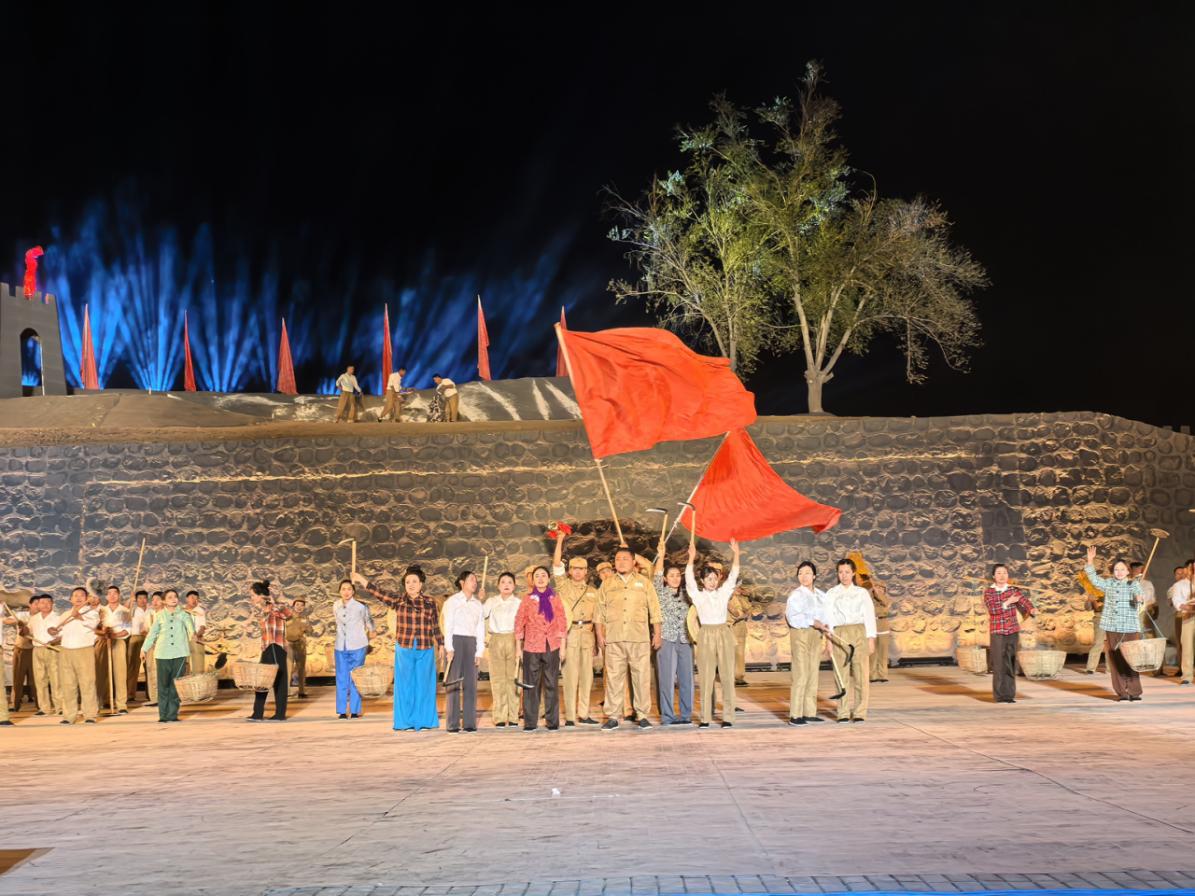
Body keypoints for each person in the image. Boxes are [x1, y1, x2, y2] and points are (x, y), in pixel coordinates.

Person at [353, 567, 442, 731]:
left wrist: (441, 644)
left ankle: (425, 721)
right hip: (405, 648)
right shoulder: (399, 600)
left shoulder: (430, 602)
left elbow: (435, 626)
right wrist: (360, 579)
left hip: (425, 647)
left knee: (424, 685)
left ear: (421, 584)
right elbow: (377, 592)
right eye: (407, 582)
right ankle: (405, 722)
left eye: (414, 581)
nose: (411, 584)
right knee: (405, 685)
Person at [595, 546, 662, 730]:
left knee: (641, 677)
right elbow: (599, 611)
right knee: (614, 678)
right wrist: (599, 634)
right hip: (614, 637)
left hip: (638, 637)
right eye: (618, 559)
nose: (621, 562)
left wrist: (657, 633)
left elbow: (654, 609)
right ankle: (613, 716)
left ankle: (642, 714)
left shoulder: (644, 583)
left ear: (633, 562)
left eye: (625, 559)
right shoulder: (607, 584)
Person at [686, 540, 741, 728]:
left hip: (723, 632)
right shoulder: (698, 596)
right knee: (706, 676)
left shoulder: (723, 593)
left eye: (714, 578)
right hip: (706, 634)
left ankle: (728, 717)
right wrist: (691, 558)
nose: (712, 581)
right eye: (708, 578)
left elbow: (733, 576)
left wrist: (736, 554)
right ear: (702, 581)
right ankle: (705, 718)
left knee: (727, 676)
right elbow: (689, 581)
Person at [552, 531, 600, 726]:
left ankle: (584, 713)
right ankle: (571, 716)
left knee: (587, 676)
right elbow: (556, 565)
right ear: (569, 571)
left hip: (587, 635)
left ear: (586, 571)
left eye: (581, 569)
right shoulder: (563, 586)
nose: (578, 572)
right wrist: (560, 540)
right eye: (574, 568)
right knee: (570, 676)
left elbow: (597, 618)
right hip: (569, 634)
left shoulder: (594, 592)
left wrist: (597, 641)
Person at [1085, 546, 1145, 701]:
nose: (1119, 572)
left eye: (1122, 569)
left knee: (1131, 658)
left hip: (1129, 627)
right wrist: (1090, 561)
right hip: (1112, 626)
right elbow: (1094, 580)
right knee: (1115, 658)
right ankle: (1122, 692)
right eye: (1116, 569)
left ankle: (1134, 691)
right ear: (1113, 571)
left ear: (1127, 571)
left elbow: (1139, 597)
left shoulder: (1133, 584)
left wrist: (1138, 599)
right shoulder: (1108, 584)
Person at [514, 566, 567, 731]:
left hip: (552, 645)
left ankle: (552, 722)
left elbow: (562, 621)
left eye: (543, 575)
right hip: (531, 646)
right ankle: (530, 722)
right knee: (531, 685)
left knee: (551, 684)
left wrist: (563, 647)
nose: (540, 578)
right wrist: (518, 648)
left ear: (548, 579)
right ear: (533, 580)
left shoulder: (555, 598)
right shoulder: (527, 599)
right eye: (537, 576)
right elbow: (519, 622)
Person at [824, 558, 877, 722]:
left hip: (859, 631)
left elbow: (869, 616)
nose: (844, 575)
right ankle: (843, 712)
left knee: (861, 674)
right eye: (840, 572)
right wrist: (828, 640)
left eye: (847, 572)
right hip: (839, 633)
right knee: (841, 675)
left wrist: (871, 638)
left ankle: (860, 711)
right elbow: (828, 617)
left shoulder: (861, 593)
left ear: (853, 573)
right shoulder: (832, 593)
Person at [982, 564, 1036, 704]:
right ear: (994, 576)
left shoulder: (1013, 590)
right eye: (999, 573)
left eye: (1004, 573)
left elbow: (1024, 601)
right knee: (999, 664)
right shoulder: (989, 592)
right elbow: (993, 609)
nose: (1002, 575)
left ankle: (1009, 695)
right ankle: (1000, 696)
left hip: (1012, 630)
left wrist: (1031, 609)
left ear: (1008, 575)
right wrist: (1009, 601)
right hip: (998, 631)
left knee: (1010, 663)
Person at [140, 589, 196, 723]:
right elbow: (152, 634)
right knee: (163, 685)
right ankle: (163, 715)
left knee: (175, 685)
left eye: (175, 596)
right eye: (170, 597)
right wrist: (144, 649)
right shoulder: (159, 616)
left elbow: (190, 626)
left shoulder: (183, 614)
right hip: (162, 654)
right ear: (164, 601)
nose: (173, 599)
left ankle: (172, 714)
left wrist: (193, 634)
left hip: (180, 653)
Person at [785, 561, 829, 726]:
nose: (804, 576)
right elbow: (793, 617)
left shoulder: (821, 595)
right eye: (800, 573)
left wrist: (826, 625)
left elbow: (826, 614)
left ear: (814, 576)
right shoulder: (796, 595)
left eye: (807, 573)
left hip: (816, 634)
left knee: (812, 673)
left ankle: (810, 712)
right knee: (801, 673)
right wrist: (813, 621)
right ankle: (795, 714)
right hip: (801, 633)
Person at [442, 570, 486, 733]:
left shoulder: (477, 604)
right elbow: (448, 625)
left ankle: (469, 723)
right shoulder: (452, 601)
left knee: (470, 684)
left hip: (471, 643)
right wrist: (449, 647)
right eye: (471, 579)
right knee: (453, 683)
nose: (475, 583)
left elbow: (480, 628)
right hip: (455, 641)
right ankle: (452, 724)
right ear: (462, 582)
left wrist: (479, 651)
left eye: (476, 580)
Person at [48, 587, 101, 724]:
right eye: (75, 595)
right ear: (70, 599)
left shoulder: (92, 612)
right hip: (66, 650)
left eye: (82, 595)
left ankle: (90, 715)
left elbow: (93, 625)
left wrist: (80, 617)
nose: (78, 598)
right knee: (67, 684)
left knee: (87, 683)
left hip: (84, 650)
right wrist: (53, 632)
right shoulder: (65, 614)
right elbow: (58, 632)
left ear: (86, 598)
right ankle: (69, 716)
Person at [655, 543, 694, 727]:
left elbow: (692, 581)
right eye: (671, 575)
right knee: (667, 679)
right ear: (665, 578)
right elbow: (656, 576)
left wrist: (691, 558)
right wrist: (661, 555)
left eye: (678, 575)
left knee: (687, 679)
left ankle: (686, 714)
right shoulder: (660, 592)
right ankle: (667, 716)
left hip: (685, 640)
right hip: (667, 639)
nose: (675, 578)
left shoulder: (687, 594)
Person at [247, 581, 293, 722]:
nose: (251, 598)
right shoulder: (261, 610)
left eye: (253, 595)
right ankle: (257, 713)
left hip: (277, 646)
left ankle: (280, 714)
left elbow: (288, 614)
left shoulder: (276, 606)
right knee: (262, 680)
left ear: (261, 595)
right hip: (267, 647)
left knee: (279, 681)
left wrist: (272, 601)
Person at [483, 572, 521, 728]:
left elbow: (521, 624)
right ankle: (499, 716)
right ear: (498, 586)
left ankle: (513, 716)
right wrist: (481, 599)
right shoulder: (491, 601)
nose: (506, 585)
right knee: (498, 679)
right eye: (503, 582)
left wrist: (520, 646)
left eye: (509, 582)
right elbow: (480, 615)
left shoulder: (519, 603)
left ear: (514, 586)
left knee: (513, 678)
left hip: (513, 639)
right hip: (496, 639)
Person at [332, 578, 375, 719]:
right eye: (343, 589)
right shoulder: (336, 605)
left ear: (353, 591)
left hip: (358, 645)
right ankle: (342, 710)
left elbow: (369, 621)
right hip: (340, 646)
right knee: (341, 677)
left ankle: (355, 710)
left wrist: (371, 631)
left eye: (349, 589)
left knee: (356, 678)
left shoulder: (361, 606)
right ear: (339, 591)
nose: (346, 592)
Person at [97, 585, 131, 714]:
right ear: (106, 596)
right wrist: (103, 633)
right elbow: (96, 628)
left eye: (114, 593)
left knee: (120, 673)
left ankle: (121, 705)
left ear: (119, 595)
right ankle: (103, 701)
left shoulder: (125, 611)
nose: (112, 595)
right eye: (109, 593)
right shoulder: (101, 610)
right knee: (101, 673)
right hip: (103, 642)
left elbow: (127, 630)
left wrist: (114, 635)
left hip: (118, 642)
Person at [29, 594, 62, 716]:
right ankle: (44, 708)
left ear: (52, 603)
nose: (45, 605)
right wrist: (22, 629)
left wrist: (54, 641)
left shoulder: (58, 617)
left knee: (56, 679)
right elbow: (28, 632)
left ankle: (60, 707)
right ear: (38, 605)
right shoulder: (34, 618)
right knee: (40, 680)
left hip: (52, 649)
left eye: (48, 602)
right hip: (37, 650)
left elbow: (63, 635)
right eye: (42, 602)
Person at [861, 571, 891, 682]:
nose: (878, 590)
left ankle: (883, 675)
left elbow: (883, 603)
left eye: (881, 588)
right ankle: (872, 675)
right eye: (877, 588)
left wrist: (873, 584)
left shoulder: (887, 600)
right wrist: (870, 584)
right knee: (872, 653)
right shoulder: (870, 600)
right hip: (873, 627)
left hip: (883, 628)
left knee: (883, 653)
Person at [1170, 560, 1195, 685]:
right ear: (1187, 570)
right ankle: (1187, 676)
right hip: (1188, 616)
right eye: (1192, 569)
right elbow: (1176, 601)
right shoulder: (1179, 585)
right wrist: (1187, 606)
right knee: (1187, 646)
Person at [9, 598, 36, 712]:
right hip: (20, 650)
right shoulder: (21, 615)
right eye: (35, 603)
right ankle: (15, 704)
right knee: (18, 678)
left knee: (35, 679)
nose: (38, 606)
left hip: (34, 650)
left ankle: (40, 705)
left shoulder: (40, 618)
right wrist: (17, 622)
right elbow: (7, 620)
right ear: (30, 605)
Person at [285, 598, 312, 698]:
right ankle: (286, 691)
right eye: (297, 605)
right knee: (288, 668)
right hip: (289, 645)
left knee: (301, 668)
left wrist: (307, 627)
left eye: (302, 605)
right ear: (293, 606)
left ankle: (301, 691)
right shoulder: (287, 617)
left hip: (300, 644)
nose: (299, 607)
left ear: (304, 607)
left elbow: (310, 631)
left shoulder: (305, 618)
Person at [126, 590, 149, 703]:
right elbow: (124, 613)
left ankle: (151, 693)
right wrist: (130, 600)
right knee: (132, 666)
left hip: (148, 639)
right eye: (139, 598)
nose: (142, 600)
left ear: (147, 599)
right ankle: (130, 694)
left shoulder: (151, 611)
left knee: (149, 666)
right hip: (135, 638)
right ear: (136, 599)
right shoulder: (132, 610)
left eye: (144, 598)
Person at [144, 592, 164, 706]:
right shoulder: (149, 614)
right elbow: (145, 630)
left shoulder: (167, 614)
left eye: (158, 599)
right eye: (153, 599)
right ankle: (154, 697)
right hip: (151, 646)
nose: (155, 602)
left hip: (163, 646)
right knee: (151, 670)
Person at [184, 591, 206, 675]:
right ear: (187, 599)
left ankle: (198, 680)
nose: (194, 600)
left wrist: (197, 635)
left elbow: (202, 627)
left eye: (197, 599)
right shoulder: (182, 611)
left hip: (197, 639)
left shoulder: (200, 611)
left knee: (198, 663)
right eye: (192, 598)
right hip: (183, 639)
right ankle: (184, 680)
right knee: (184, 663)